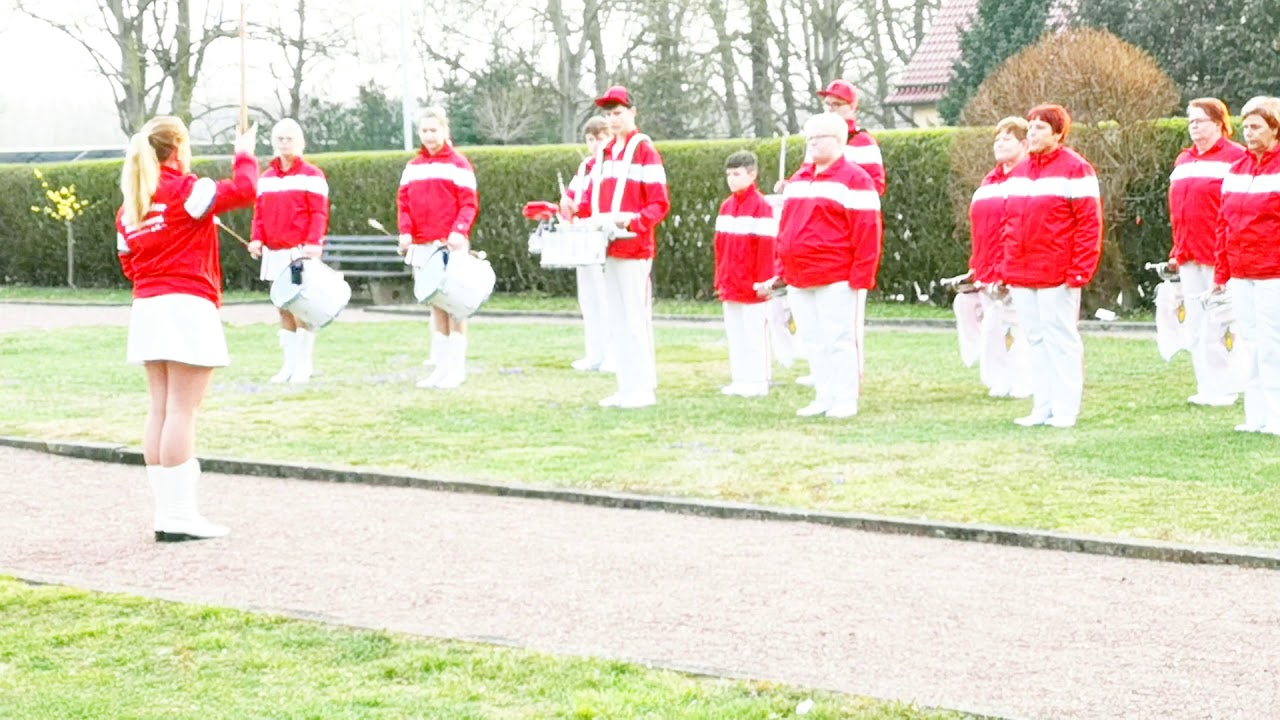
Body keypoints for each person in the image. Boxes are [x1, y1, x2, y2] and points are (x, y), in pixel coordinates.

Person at [115, 116, 258, 542]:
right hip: (186, 304)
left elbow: (128, 262)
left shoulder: (131, 205)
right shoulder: (187, 191)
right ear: (177, 150)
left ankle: (168, 512)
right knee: (181, 411)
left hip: (147, 305)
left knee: (160, 409)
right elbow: (247, 190)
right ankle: (178, 515)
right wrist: (245, 151)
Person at [759, 112, 882, 418]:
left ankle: (845, 398)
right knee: (812, 339)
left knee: (840, 339)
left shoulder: (856, 179)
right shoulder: (799, 179)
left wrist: (861, 276)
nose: (812, 143)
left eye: (820, 137)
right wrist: (781, 271)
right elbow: (785, 227)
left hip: (838, 275)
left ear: (838, 140)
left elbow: (868, 231)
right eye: (809, 137)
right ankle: (824, 395)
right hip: (799, 275)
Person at [1000, 104, 1103, 428]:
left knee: (1061, 339)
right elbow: (1009, 223)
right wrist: (1006, 265)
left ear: (1059, 133)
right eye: (1030, 127)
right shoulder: (1019, 171)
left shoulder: (1076, 169)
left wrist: (1080, 268)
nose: (1032, 133)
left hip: (1057, 271)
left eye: (1041, 127)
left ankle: (1065, 409)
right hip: (1022, 270)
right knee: (1035, 339)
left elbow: (1089, 222)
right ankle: (1042, 407)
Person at [574, 86, 670, 409]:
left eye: (618, 113)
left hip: (634, 247)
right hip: (606, 247)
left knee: (634, 320)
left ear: (632, 112)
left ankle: (642, 389)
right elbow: (591, 202)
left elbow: (659, 204)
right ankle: (626, 386)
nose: (613, 120)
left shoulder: (645, 151)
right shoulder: (602, 155)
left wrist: (631, 223)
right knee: (616, 320)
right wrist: (573, 208)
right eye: (608, 114)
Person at [1167, 98, 1247, 406]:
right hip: (1189, 254)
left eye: (1200, 120)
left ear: (1218, 123)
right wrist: (1177, 249)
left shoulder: (1235, 158)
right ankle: (1206, 384)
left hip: (1220, 255)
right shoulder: (1184, 160)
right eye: (1190, 120)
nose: (1194, 126)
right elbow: (1179, 210)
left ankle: (1227, 385)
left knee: (1223, 322)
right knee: (1198, 324)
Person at [397, 106, 479, 389]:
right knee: (435, 306)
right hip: (422, 245)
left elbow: (468, 203)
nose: (429, 135)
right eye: (425, 130)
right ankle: (440, 368)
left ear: (445, 131)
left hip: (449, 244)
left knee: (455, 306)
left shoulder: (459, 164)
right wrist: (406, 233)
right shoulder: (412, 167)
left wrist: (458, 231)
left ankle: (456, 369)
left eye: (434, 130)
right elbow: (404, 204)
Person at [1213, 96, 1280, 434]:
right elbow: (1224, 223)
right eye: (1246, 126)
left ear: (1275, 129)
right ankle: (1256, 415)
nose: (1248, 133)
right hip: (1241, 271)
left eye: (1256, 126)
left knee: (1272, 343)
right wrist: (1222, 270)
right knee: (1250, 343)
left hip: (1273, 271)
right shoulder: (1236, 170)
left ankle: (1277, 415)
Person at [248, 118, 330, 385]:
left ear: (300, 142)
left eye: (289, 139)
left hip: (299, 252)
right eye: (280, 139)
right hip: (274, 252)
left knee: (300, 307)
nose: (284, 144)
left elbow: (318, 212)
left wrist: (313, 242)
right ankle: (289, 364)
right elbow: (259, 213)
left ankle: (304, 365)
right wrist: (256, 239)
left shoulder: (312, 175)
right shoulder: (266, 178)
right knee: (281, 306)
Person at [967, 116, 1033, 399]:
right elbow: (981, 229)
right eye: (997, 139)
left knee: (1016, 326)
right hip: (987, 267)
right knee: (993, 326)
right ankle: (999, 377)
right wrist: (976, 266)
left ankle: (1024, 378)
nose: (1000, 143)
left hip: (1017, 267)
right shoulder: (989, 181)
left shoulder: (1028, 178)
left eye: (1007, 138)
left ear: (1024, 143)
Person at [714, 150, 777, 397]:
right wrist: (719, 278)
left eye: (737, 174)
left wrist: (764, 283)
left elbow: (766, 249)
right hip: (730, 282)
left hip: (752, 285)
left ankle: (758, 381)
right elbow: (720, 247)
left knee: (753, 334)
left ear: (752, 174)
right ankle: (740, 378)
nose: (732, 179)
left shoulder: (761, 206)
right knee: (735, 333)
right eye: (729, 174)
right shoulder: (726, 206)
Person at [559, 116, 614, 372]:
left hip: (604, 238)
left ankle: (613, 354)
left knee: (607, 298)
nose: (595, 145)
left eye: (600, 138)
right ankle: (594, 352)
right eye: (590, 139)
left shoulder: (613, 167)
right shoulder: (584, 168)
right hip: (582, 237)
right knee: (589, 299)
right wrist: (567, 206)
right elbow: (572, 198)